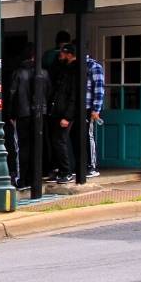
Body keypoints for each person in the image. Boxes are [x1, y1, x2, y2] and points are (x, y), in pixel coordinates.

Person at [6, 44, 50, 188]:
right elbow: (48, 93)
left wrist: (11, 114)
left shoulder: (18, 73)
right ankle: (35, 177)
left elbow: (12, 94)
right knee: (37, 145)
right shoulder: (44, 72)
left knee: (21, 147)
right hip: (40, 113)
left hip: (22, 113)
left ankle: (21, 178)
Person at [50, 44, 80, 183]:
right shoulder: (64, 68)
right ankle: (61, 170)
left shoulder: (74, 70)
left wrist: (68, 116)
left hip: (65, 113)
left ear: (69, 54)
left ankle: (66, 171)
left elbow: (74, 95)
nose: (60, 54)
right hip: (58, 110)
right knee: (57, 141)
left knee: (60, 141)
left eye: (63, 52)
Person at [83, 52, 106, 177]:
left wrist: (96, 109)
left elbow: (99, 89)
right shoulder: (76, 66)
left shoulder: (94, 66)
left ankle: (92, 166)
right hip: (77, 107)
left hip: (88, 107)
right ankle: (82, 165)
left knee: (88, 135)